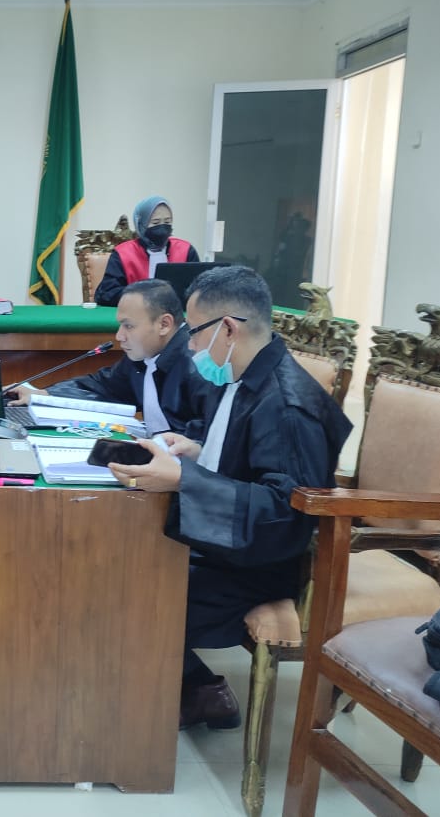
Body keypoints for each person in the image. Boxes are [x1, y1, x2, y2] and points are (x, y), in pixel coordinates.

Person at [105, 266, 351, 730]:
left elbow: (283, 515)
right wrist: (197, 452)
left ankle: (194, 696)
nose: (190, 346)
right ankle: (189, 688)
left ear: (229, 329)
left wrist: (185, 480)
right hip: (226, 541)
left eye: (195, 332)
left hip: (258, 566)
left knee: (127, 592)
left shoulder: (286, 404)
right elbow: (246, 462)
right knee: (114, 559)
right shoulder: (245, 373)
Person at [11, 279, 212, 437]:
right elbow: (102, 386)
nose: (119, 336)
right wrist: (44, 394)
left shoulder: (199, 367)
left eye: (128, 326)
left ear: (164, 324)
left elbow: (205, 440)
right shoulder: (142, 358)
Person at [95, 195, 198, 306]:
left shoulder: (186, 250)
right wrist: (143, 295)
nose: (162, 228)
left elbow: (199, 290)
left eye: (167, 222)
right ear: (141, 224)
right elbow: (107, 293)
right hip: (136, 313)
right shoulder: (123, 254)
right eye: (155, 223)